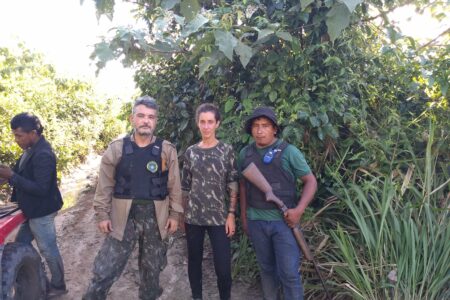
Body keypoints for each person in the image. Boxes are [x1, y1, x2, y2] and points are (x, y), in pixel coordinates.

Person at [83, 96, 183, 300]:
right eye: (141, 116)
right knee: (106, 268)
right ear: (132, 119)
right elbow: (105, 186)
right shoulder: (117, 149)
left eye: (151, 117)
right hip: (123, 217)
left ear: (156, 121)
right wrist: (102, 214)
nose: (146, 121)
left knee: (151, 271)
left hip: (156, 218)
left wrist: (174, 215)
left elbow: (174, 186)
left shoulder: (166, 150)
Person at [238, 107, 317, 300]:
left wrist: (298, 210)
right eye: (256, 126)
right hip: (256, 220)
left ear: (274, 129)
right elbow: (242, 187)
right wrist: (244, 217)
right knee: (266, 270)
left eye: (265, 125)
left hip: (284, 223)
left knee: (289, 274)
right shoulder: (245, 153)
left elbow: (311, 181)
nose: (260, 130)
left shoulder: (289, 152)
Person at [0, 112, 67, 297]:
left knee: (48, 248)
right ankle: (33, 278)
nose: (16, 140)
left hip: (42, 210)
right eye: (14, 135)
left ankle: (59, 285)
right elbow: (20, 173)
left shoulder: (43, 154)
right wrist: (7, 176)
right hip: (31, 209)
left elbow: (41, 189)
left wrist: (11, 177)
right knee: (20, 244)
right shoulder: (30, 149)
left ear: (33, 133)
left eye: (19, 135)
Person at [181, 103, 238, 300]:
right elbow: (185, 187)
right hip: (193, 218)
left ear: (217, 124)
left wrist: (231, 215)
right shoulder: (190, 152)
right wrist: (181, 215)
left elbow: (232, 183)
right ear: (197, 124)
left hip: (219, 217)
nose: (206, 126)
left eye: (210, 122)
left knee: (223, 267)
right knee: (194, 262)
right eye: (202, 122)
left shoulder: (226, 150)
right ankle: (197, 296)